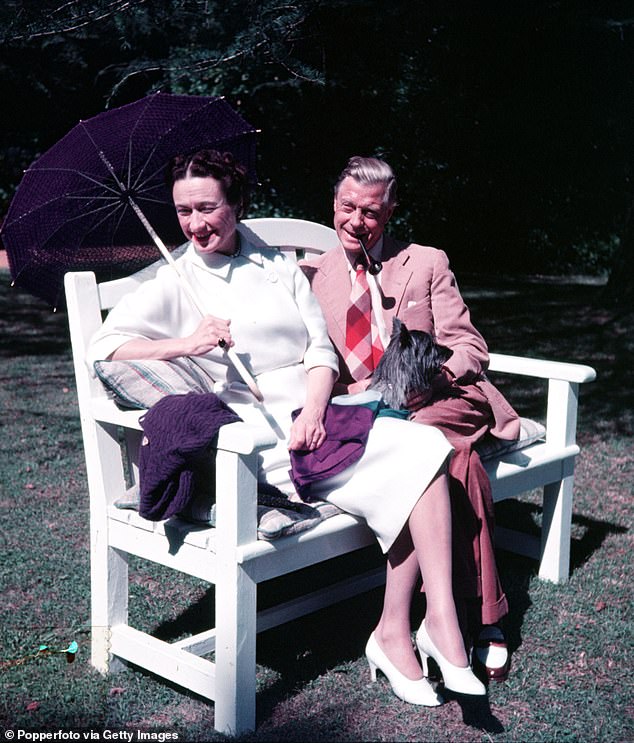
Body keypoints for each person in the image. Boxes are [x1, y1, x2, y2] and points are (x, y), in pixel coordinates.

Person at [87, 149, 486, 705]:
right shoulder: (174, 276)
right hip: (255, 441)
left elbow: (321, 352)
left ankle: (430, 624)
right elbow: (102, 347)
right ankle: (407, 635)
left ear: (238, 204)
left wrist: (318, 412)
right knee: (415, 463)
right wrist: (188, 343)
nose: (196, 223)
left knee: (423, 445)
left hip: (318, 421)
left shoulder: (274, 265)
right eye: (184, 211)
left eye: (207, 207)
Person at [300, 155, 521, 681]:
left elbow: (471, 347)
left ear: (390, 212)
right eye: (347, 207)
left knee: (423, 441)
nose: (357, 221)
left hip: (447, 394)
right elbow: (315, 358)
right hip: (377, 412)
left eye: (371, 212)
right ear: (333, 205)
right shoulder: (315, 276)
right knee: (448, 457)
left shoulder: (423, 262)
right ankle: (477, 618)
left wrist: (433, 375)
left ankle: (453, 619)